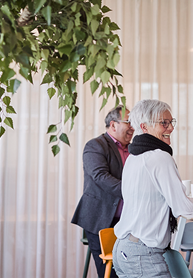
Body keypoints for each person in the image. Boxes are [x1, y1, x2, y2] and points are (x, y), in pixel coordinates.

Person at [112, 99, 193, 278]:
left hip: (123, 249)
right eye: (163, 123)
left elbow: (159, 199)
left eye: (171, 122)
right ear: (145, 126)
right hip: (143, 254)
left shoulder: (134, 157)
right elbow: (182, 207)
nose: (171, 128)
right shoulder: (160, 157)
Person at [71, 105, 134, 278]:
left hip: (128, 222)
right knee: (110, 273)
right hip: (101, 219)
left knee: (132, 270)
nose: (133, 127)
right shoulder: (95, 145)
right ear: (113, 125)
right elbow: (100, 176)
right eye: (129, 122)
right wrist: (134, 192)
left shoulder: (134, 149)